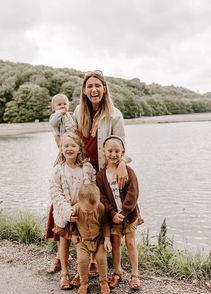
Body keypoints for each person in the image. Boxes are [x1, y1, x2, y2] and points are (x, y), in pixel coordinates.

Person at [73, 70, 129, 277]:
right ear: (85, 91)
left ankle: (116, 265)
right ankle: (89, 261)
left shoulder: (114, 114)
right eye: (90, 86)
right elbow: (72, 139)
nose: (94, 89)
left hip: (106, 173)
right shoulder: (79, 111)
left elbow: (121, 144)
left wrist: (122, 162)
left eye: (97, 85)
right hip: (85, 171)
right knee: (87, 215)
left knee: (110, 214)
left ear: (104, 88)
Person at [96, 135, 143, 290]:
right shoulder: (101, 176)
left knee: (130, 242)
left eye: (117, 151)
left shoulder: (128, 171)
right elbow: (102, 197)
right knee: (116, 243)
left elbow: (133, 193)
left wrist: (123, 212)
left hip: (129, 216)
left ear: (123, 152)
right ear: (104, 151)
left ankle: (135, 274)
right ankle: (117, 272)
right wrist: (112, 214)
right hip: (113, 217)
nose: (113, 154)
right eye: (110, 150)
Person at [50, 132, 96, 290]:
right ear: (61, 148)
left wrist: (84, 209)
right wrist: (67, 212)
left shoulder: (87, 168)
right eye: (66, 145)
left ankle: (80, 273)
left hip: (82, 214)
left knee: (81, 244)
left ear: (79, 148)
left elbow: (92, 189)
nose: (69, 148)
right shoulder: (58, 170)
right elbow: (56, 193)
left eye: (73, 145)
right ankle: (64, 273)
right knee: (64, 242)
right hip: (64, 213)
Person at [46, 93, 77, 274]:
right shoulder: (56, 119)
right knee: (59, 208)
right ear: (53, 107)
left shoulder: (73, 116)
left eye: (65, 103)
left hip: (75, 154)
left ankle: (86, 256)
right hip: (63, 157)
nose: (63, 106)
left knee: (78, 205)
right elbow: (55, 131)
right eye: (58, 104)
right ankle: (60, 256)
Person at [71, 183, 111, 294]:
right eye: (87, 210)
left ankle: (103, 282)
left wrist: (107, 239)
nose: (91, 211)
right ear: (79, 201)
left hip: (99, 240)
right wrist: (74, 233)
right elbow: (71, 223)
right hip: (82, 240)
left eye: (93, 209)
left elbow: (105, 224)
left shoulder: (100, 208)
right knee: (82, 260)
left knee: (101, 259)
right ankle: (84, 283)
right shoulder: (75, 209)